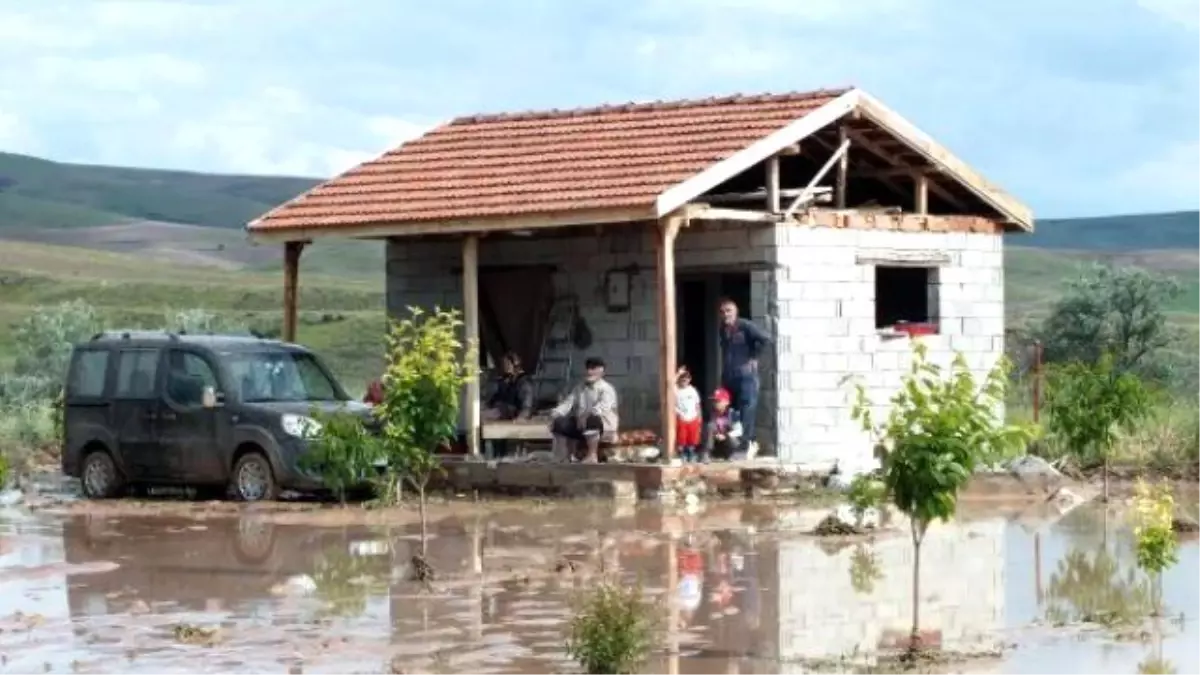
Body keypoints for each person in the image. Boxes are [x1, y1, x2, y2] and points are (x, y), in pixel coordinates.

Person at [717, 298, 771, 459]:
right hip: (730, 375)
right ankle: (745, 442)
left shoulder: (745, 326)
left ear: (736, 312)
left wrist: (754, 356)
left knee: (748, 408)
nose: (725, 314)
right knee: (732, 412)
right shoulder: (723, 329)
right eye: (722, 311)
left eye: (728, 311)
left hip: (746, 375)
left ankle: (747, 445)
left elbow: (765, 338)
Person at [549, 357, 619, 463]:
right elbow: (568, 403)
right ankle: (563, 455)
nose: (589, 371)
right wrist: (556, 412)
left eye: (593, 368)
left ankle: (592, 455)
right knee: (560, 422)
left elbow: (602, 408)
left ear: (601, 371)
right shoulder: (579, 388)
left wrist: (586, 415)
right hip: (582, 425)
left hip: (604, 426)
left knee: (592, 419)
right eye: (588, 368)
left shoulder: (607, 389)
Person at [484, 351, 535, 421]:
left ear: (515, 365)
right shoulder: (507, 381)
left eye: (507, 364)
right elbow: (495, 398)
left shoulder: (523, 382)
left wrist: (522, 417)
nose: (505, 366)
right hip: (502, 411)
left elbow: (527, 404)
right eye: (504, 364)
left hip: (513, 413)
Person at [703, 387, 743, 462]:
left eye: (718, 401)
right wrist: (715, 434)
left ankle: (731, 455)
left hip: (726, 441)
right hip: (714, 442)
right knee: (709, 426)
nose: (715, 403)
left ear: (726, 402)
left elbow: (739, 431)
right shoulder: (710, 414)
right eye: (714, 401)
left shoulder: (732, 413)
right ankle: (707, 454)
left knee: (733, 439)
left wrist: (725, 435)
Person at [675, 366, 702, 463]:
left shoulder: (693, 390)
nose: (684, 380)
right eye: (682, 378)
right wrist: (678, 373)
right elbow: (669, 384)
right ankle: (682, 454)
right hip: (681, 417)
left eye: (686, 378)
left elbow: (697, 405)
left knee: (693, 439)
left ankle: (691, 454)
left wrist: (699, 418)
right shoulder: (675, 390)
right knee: (682, 439)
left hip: (693, 417)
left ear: (690, 379)